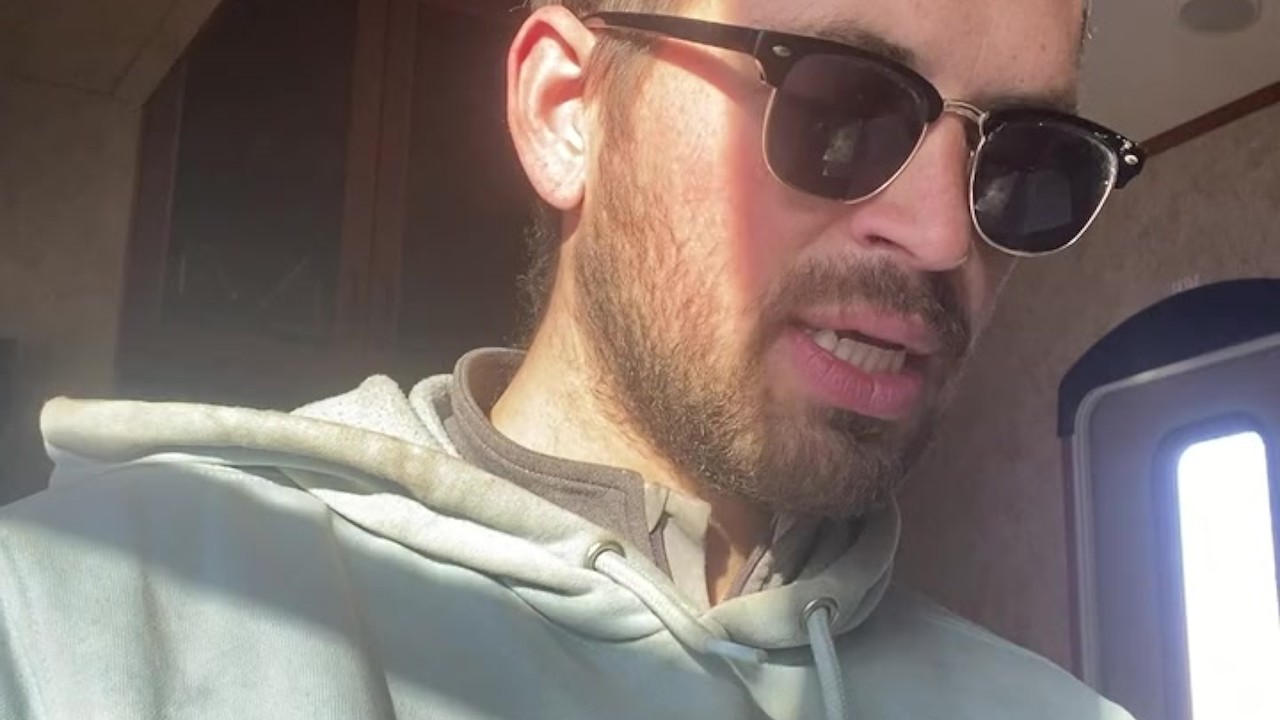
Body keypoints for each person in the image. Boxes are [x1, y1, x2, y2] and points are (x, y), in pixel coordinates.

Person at [0, 0, 1147, 718]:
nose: (943, 236)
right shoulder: (74, 617)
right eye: (838, 109)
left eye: (1025, 161)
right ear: (565, 112)